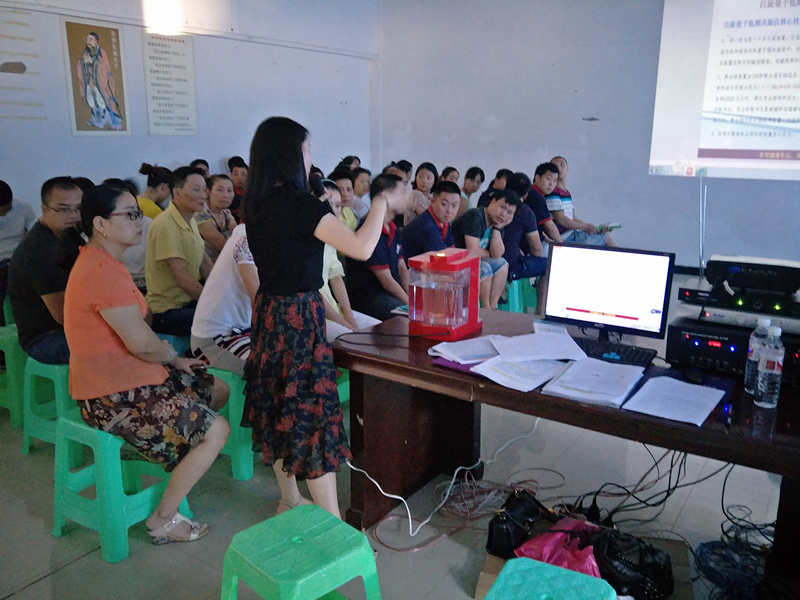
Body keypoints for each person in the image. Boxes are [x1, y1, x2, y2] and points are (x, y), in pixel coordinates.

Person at [243, 116, 407, 519]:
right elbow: (361, 248)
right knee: (311, 415)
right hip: (299, 315)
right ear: (290, 154)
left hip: (269, 311)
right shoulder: (300, 205)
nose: (310, 157)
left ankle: (289, 498)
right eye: (307, 149)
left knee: (281, 406)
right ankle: (332, 522)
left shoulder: (257, 202)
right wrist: (382, 200)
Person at [64, 183, 230, 545]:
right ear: (101, 224)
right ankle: (162, 519)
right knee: (217, 430)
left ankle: (178, 455)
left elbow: (140, 340)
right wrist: (170, 356)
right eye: (130, 215)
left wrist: (175, 361)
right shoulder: (99, 270)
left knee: (217, 388)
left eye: (139, 213)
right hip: (112, 396)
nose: (139, 221)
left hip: (135, 377)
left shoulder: (106, 262)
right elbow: (140, 343)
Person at [8, 177, 83, 364]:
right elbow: (64, 316)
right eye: (64, 209)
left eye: (78, 208)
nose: (74, 216)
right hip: (45, 338)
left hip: (69, 327)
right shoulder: (39, 251)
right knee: (112, 345)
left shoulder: (69, 235)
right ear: (44, 209)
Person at [145, 167, 212, 337]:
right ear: (177, 192)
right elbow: (182, 279)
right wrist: (214, 303)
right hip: (166, 310)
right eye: (196, 190)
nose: (203, 195)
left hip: (187, 301)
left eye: (205, 189)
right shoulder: (165, 225)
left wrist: (221, 293)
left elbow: (205, 263)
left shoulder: (191, 220)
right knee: (218, 321)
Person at [316, 180, 381, 340]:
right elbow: (313, 294)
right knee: (352, 340)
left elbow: (336, 277)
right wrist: (344, 323)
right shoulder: (304, 244)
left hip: (335, 309)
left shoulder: (329, 240)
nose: (333, 211)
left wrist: (349, 315)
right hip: (317, 315)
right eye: (328, 204)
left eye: (338, 206)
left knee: (381, 331)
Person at [190, 223, 256, 376]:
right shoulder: (247, 238)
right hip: (215, 340)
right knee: (274, 369)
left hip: (244, 331)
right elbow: (261, 301)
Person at [347, 177, 410, 321]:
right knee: (409, 317)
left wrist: (410, 296)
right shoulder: (370, 230)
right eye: (401, 193)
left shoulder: (394, 229)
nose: (405, 198)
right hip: (370, 298)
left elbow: (402, 267)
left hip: (388, 292)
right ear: (385, 195)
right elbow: (386, 281)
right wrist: (410, 305)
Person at [452, 190, 519, 309]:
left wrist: (497, 229)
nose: (503, 214)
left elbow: (497, 254)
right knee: (485, 267)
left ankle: (493, 306)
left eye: (509, 212)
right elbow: (472, 251)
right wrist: (489, 254)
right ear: (493, 202)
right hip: (456, 261)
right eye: (502, 207)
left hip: (474, 261)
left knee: (502, 264)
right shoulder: (475, 216)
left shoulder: (497, 223)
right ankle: (486, 308)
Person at [548, 156, 615, 247]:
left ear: (568, 168)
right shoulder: (553, 192)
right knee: (604, 237)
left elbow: (573, 218)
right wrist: (584, 227)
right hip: (564, 237)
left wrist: (593, 228)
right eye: (555, 166)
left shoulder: (566, 193)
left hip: (572, 233)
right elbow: (561, 219)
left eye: (562, 165)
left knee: (602, 234)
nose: (559, 168)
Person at [0, 181, 36, 326]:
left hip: (20, 257)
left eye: (5, 208)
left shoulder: (23, 208)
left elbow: (33, 237)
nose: (2, 212)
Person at [402, 180, 459, 262]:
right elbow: (442, 260)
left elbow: (452, 250)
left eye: (454, 205)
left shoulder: (444, 222)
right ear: (432, 201)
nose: (449, 211)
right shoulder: (426, 225)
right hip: (409, 269)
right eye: (444, 204)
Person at [75, 32, 123, 130]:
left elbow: (105, 67)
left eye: (90, 39)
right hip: (90, 83)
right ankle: (96, 120)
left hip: (102, 82)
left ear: (96, 41)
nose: (88, 42)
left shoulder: (101, 52)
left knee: (105, 101)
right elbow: (82, 67)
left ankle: (110, 120)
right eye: (87, 40)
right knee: (94, 102)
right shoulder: (86, 53)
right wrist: (83, 63)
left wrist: (94, 62)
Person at [196, 174, 237, 262]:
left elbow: (239, 237)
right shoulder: (200, 215)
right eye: (220, 190)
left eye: (229, 190)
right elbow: (222, 245)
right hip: (209, 267)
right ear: (208, 191)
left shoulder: (226, 213)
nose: (225, 195)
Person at [525, 163, 564, 250]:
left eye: (555, 181)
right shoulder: (537, 197)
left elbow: (538, 229)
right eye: (548, 179)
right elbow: (550, 227)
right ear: (537, 178)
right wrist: (563, 247)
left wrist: (550, 241)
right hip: (531, 246)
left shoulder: (531, 192)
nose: (551, 184)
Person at [228, 156, 248, 221]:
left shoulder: (253, 192)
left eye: (243, 175)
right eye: (236, 174)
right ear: (231, 175)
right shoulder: (228, 194)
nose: (239, 178)